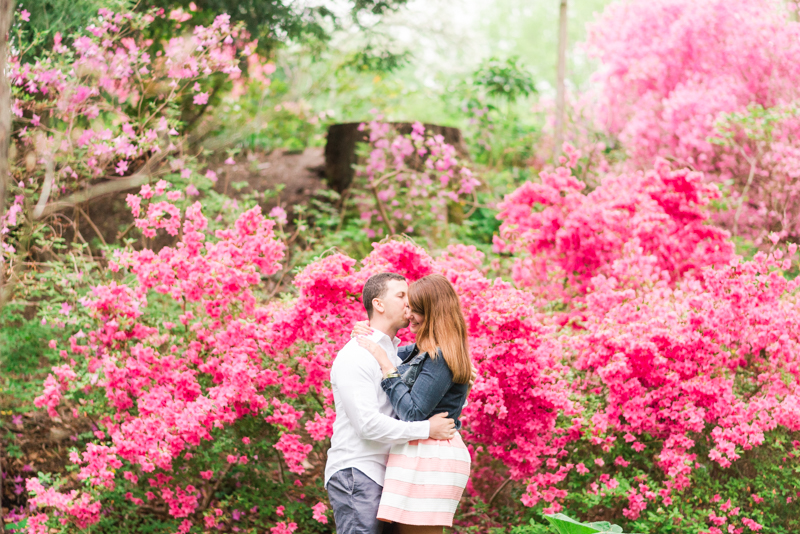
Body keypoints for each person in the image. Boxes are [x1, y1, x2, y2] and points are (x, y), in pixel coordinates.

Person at [325, 272, 457, 534]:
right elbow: (367, 425)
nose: (409, 304)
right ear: (379, 304)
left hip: (388, 473)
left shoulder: (395, 355)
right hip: (358, 470)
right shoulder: (357, 355)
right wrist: (427, 430)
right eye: (401, 296)